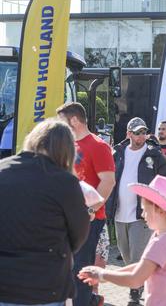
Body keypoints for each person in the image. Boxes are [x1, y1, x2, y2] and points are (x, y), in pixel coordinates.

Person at [0, 119, 90, 306]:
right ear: (67, 150)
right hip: (45, 284)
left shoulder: (2, 170)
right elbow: (79, 236)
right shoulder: (65, 182)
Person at [79, 175, 166, 306]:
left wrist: (102, 275)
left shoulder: (161, 243)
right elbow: (143, 267)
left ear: (159, 210)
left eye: (145, 210)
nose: (142, 215)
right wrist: (110, 274)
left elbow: (136, 279)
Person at [107, 117, 166, 306]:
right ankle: (143, 282)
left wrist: (157, 207)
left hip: (142, 215)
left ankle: (134, 294)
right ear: (128, 134)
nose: (141, 136)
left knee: (137, 256)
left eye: (143, 132)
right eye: (137, 132)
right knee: (126, 256)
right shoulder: (117, 153)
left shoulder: (155, 155)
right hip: (119, 213)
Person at [57, 102, 116, 306]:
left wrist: (91, 210)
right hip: (67, 218)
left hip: (89, 219)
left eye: (62, 121)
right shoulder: (70, 145)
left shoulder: (99, 146)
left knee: (81, 272)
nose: (60, 126)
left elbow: (108, 181)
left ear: (74, 120)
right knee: (65, 270)